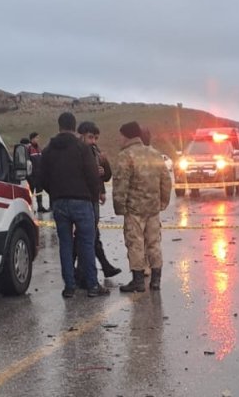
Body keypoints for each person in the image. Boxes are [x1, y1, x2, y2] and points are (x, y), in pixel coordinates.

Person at [39, 112, 105, 299]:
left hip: (59, 202)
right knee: (87, 243)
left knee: (65, 245)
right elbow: (92, 176)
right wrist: (92, 195)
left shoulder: (48, 150)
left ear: (59, 126)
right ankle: (92, 285)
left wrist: (55, 193)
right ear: (74, 127)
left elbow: (42, 178)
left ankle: (69, 286)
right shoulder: (82, 148)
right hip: (82, 201)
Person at [112, 120, 172, 292]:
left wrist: (120, 208)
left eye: (120, 136)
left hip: (134, 210)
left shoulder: (125, 155)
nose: (119, 139)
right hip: (153, 209)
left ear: (126, 135)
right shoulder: (155, 154)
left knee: (135, 244)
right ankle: (156, 281)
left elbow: (120, 184)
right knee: (154, 243)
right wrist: (163, 202)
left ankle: (138, 281)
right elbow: (166, 181)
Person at [76, 120, 121, 281]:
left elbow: (106, 175)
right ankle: (90, 270)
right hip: (82, 199)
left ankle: (92, 268)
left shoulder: (95, 151)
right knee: (88, 235)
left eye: (95, 138)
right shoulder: (77, 151)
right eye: (90, 137)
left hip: (93, 197)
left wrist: (103, 174)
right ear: (81, 135)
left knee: (91, 234)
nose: (93, 141)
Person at [27, 132, 46, 214]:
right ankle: (30, 207)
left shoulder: (39, 148)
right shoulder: (28, 148)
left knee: (39, 191)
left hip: (39, 174)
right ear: (32, 139)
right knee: (31, 192)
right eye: (36, 138)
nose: (38, 139)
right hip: (32, 174)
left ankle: (40, 206)